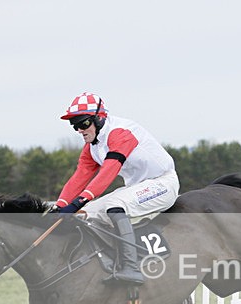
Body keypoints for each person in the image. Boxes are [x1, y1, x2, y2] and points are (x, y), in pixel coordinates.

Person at [54, 92, 179, 284]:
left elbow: (109, 171)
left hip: (163, 183)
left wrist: (78, 201)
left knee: (114, 205)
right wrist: (59, 206)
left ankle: (131, 267)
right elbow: (79, 177)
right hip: (137, 187)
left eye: (83, 123)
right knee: (84, 214)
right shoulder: (92, 146)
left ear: (99, 118)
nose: (79, 130)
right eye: (74, 125)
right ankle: (107, 260)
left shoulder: (120, 133)